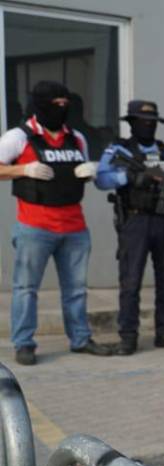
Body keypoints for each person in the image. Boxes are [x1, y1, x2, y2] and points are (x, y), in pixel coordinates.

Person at [0, 80, 112, 365]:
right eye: (56, 104)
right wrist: (23, 168)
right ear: (40, 105)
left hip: (74, 227)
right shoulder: (18, 137)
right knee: (26, 288)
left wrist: (92, 172)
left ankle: (80, 338)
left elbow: (83, 172)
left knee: (75, 290)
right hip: (35, 227)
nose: (61, 109)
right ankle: (24, 344)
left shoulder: (77, 138)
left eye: (65, 104)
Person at [95, 100, 164, 355]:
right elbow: (102, 179)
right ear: (132, 123)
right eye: (143, 121)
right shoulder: (120, 151)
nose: (148, 126)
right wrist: (129, 177)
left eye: (152, 122)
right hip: (136, 221)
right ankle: (128, 336)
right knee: (131, 280)